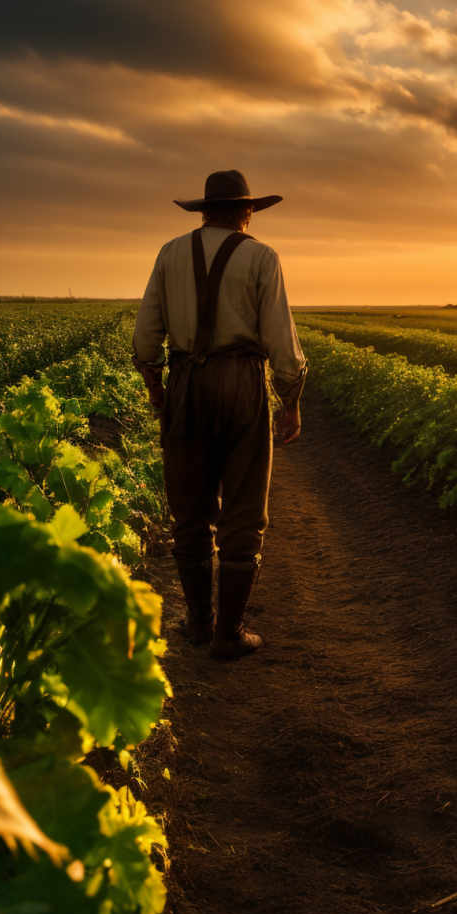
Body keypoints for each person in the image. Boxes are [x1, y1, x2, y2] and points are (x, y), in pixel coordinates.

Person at [133, 169, 306, 659]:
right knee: (244, 512)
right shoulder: (261, 257)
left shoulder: (170, 253)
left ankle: (198, 624)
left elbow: (147, 335)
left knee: (189, 512)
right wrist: (290, 402)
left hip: (186, 382)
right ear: (247, 212)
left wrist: (156, 389)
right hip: (241, 384)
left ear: (204, 211)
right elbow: (281, 341)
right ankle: (230, 635)